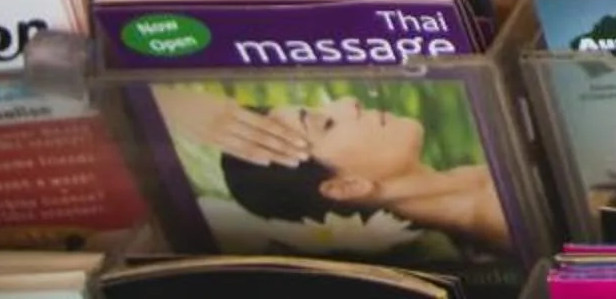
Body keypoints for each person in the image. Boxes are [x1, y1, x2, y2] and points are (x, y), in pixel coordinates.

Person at [190, 90, 513, 250]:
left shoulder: (474, 184)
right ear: (347, 186)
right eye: (326, 124)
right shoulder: (497, 214)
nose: (349, 102)